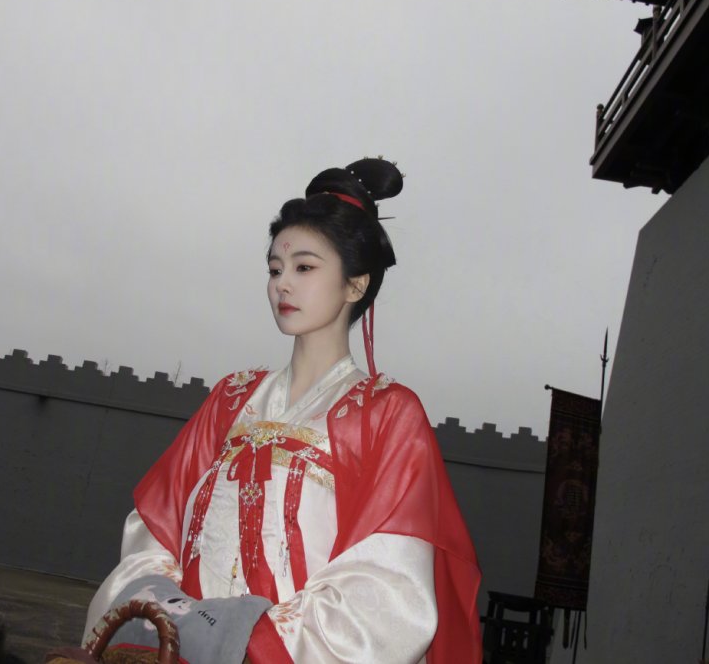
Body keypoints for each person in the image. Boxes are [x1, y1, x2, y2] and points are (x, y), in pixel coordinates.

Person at [83, 157, 483, 663]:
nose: (282, 285)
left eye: (304, 268)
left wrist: (245, 639)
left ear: (355, 284)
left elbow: (385, 584)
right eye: (275, 269)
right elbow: (157, 527)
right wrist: (175, 618)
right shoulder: (232, 398)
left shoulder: (386, 415)